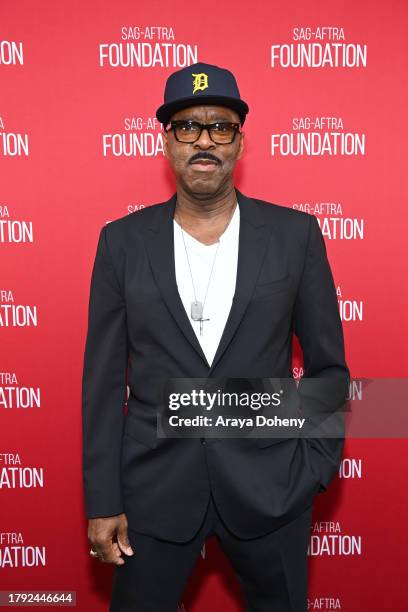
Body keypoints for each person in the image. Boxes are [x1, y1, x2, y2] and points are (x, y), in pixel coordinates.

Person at [82, 62, 349, 611]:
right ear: (167, 143)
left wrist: (312, 468)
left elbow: (328, 369)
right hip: (152, 496)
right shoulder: (121, 244)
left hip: (270, 491)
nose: (204, 141)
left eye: (220, 127)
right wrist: (104, 500)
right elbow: (104, 384)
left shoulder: (295, 236)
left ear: (240, 142)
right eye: (187, 126)